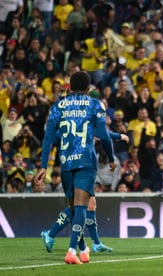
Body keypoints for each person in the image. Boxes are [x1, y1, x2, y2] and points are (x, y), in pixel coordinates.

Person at [34, 71, 116, 264]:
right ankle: (71, 251)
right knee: (81, 208)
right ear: (89, 89)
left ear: (69, 88)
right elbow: (103, 135)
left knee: (73, 209)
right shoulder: (95, 104)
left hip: (66, 163)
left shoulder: (58, 106)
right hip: (86, 162)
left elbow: (47, 138)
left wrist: (44, 165)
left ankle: (82, 248)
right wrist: (111, 158)